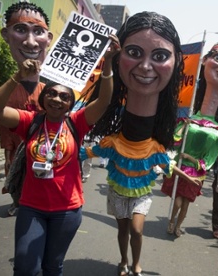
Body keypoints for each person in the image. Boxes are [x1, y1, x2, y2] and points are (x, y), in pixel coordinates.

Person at [0, 25, 117, 273]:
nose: (57, 99)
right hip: (31, 208)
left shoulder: (76, 122)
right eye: (52, 94)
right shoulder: (30, 120)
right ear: (44, 98)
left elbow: (105, 100)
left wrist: (108, 62)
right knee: (25, 268)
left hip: (67, 211)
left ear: (70, 104)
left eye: (64, 97)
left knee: (52, 267)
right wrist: (17, 76)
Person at [79, 11, 188, 276]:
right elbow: (86, 153)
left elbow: (169, 165)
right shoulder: (112, 142)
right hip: (118, 190)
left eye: (160, 56)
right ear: (119, 58)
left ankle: (135, 263)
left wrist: (190, 177)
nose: (146, 66)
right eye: (135, 52)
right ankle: (124, 261)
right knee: (123, 230)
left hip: (140, 192)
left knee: (136, 229)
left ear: (176, 63)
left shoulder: (155, 148)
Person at [161, 42, 218, 237]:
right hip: (180, 167)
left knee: (186, 203)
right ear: (204, 61)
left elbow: (210, 159)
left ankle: (177, 225)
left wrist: (192, 159)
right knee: (178, 201)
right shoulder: (186, 118)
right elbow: (174, 143)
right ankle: (172, 222)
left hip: (195, 170)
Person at [0, 2, 51, 216]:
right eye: (20, 29)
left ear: (49, 38)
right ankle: (17, 200)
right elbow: (1, 120)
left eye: (38, 31)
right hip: (17, 146)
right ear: (6, 34)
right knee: (15, 173)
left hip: (44, 150)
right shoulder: (8, 90)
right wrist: (7, 153)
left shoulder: (51, 92)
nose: (30, 42)